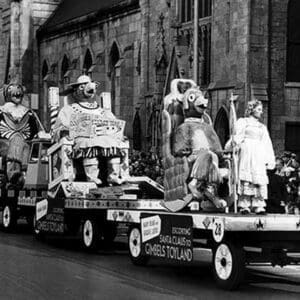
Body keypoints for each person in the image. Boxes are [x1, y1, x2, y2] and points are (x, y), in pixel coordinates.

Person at [232, 99, 275, 214]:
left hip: (258, 153)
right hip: (246, 151)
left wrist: (269, 158)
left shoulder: (262, 127)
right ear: (252, 110)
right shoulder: (243, 122)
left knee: (258, 178)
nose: (261, 112)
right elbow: (238, 136)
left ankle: (258, 204)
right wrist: (235, 144)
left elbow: (266, 142)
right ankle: (245, 204)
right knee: (247, 178)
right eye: (259, 109)